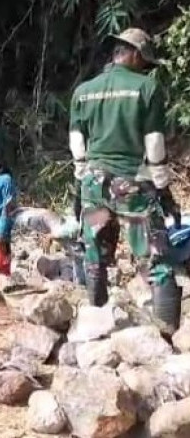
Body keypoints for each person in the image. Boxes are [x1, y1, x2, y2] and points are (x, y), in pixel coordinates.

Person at [70, 27, 182, 330]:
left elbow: (77, 143)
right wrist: (163, 190)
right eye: (144, 61)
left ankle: (98, 327)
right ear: (133, 54)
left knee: (94, 255)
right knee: (155, 259)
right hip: (132, 183)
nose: (145, 68)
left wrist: (82, 185)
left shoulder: (84, 91)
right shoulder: (147, 88)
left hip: (93, 182)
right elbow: (154, 144)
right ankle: (167, 336)